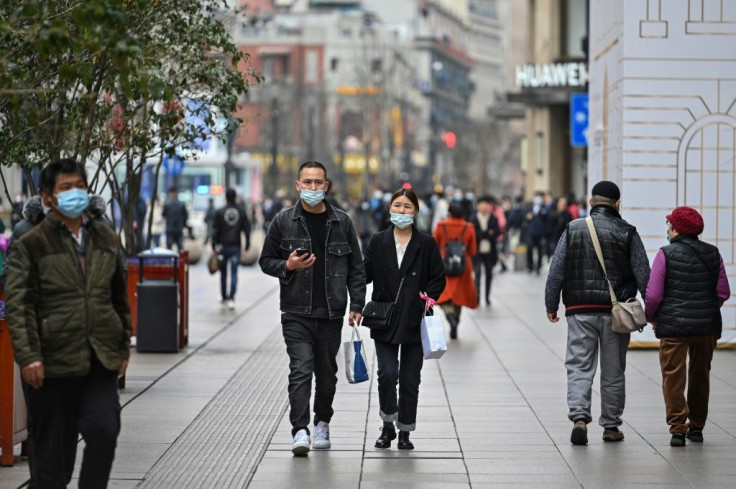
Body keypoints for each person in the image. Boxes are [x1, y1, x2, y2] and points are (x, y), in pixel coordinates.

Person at [5, 158, 131, 488]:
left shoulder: (104, 236)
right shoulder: (31, 241)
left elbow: (119, 295)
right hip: (50, 363)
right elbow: (18, 303)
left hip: (97, 358)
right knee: (51, 459)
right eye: (65, 188)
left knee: (105, 428)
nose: (74, 194)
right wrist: (29, 355)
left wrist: (122, 345)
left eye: (79, 186)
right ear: (47, 196)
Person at [259, 161, 366, 456]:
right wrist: (288, 266)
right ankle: (300, 430)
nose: (313, 188)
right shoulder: (282, 221)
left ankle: (322, 422)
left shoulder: (342, 222)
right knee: (300, 370)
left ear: (327, 186)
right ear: (298, 186)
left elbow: (357, 268)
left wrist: (357, 305)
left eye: (318, 182)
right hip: (296, 312)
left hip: (331, 314)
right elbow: (266, 261)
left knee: (327, 374)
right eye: (307, 182)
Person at [545, 181, 650, 445]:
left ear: (591, 203)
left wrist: (551, 304)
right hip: (617, 312)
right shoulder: (628, 232)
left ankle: (580, 417)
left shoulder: (573, 228)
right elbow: (643, 275)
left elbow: (556, 270)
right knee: (613, 371)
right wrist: (655, 309)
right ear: (617, 204)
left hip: (580, 311)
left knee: (579, 365)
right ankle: (611, 426)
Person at [363, 188, 446, 450]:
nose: (401, 211)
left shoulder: (426, 243)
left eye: (407, 207)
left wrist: (427, 298)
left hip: (414, 319)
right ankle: (387, 425)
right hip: (384, 319)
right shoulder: (378, 241)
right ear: (389, 210)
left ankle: (405, 430)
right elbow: (363, 273)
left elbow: (438, 277)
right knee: (387, 373)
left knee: (411, 378)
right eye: (397, 206)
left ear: (416, 211)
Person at [644, 206, 730, 447]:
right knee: (700, 375)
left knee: (673, 376)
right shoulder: (713, 253)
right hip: (706, 328)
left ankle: (677, 429)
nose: (668, 229)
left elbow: (653, 296)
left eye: (670, 224)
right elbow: (723, 292)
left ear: (676, 229)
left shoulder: (665, 254)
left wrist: (653, 317)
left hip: (673, 327)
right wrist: (706, 309)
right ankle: (697, 428)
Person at [433, 202, 478, 339]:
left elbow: (434, 245)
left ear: (449, 212)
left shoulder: (441, 226)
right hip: (463, 266)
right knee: (459, 296)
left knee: (444, 296)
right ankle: (456, 322)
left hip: (445, 264)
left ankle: (450, 316)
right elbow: (472, 250)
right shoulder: (469, 227)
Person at [212, 188, 251, 310]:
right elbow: (247, 229)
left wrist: (214, 246)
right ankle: (231, 298)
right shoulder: (242, 211)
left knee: (223, 273)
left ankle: (224, 296)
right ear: (235, 197)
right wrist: (247, 245)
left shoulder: (219, 211)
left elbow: (214, 230)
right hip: (236, 246)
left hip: (223, 247)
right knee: (234, 273)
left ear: (225, 197)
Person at [469, 195, 501, 306]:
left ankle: (487, 297)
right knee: (477, 274)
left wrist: (483, 234)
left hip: (490, 251)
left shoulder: (493, 218)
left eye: (485, 205)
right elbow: (472, 233)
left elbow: (497, 232)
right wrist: (487, 233)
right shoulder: (473, 218)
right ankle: (477, 296)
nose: (483, 207)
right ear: (478, 206)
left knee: (489, 274)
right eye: (481, 205)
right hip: (477, 251)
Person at [524, 191, 549, 275]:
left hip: (540, 233)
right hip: (531, 232)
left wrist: (545, 234)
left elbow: (547, 221)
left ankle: (538, 267)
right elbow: (524, 218)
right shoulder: (529, 207)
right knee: (529, 248)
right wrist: (527, 217)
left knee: (540, 250)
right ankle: (530, 266)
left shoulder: (544, 208)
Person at [162, 186, 188, 251]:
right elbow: (186, 216)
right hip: (179, 228)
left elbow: (163, 215)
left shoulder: (167, 204)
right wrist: (183, 225)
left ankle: (169, 261)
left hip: (170, 228)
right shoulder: (182, 204)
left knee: (169, 248)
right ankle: (181, 261)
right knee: (180, 247)